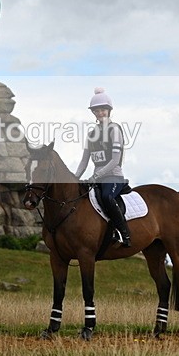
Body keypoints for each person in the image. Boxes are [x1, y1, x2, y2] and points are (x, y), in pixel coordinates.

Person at [75, 87, 131, 247]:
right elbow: (84, 161)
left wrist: (96, 176)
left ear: (108, 110)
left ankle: (124, 233)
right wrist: (74, 177)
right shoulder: (91, 133)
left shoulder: (115, 130)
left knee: (106, 197)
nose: (100, 113)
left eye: (103, 110)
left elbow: (114, 160)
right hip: (96, 178)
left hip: (113, 176)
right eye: (97, 110)